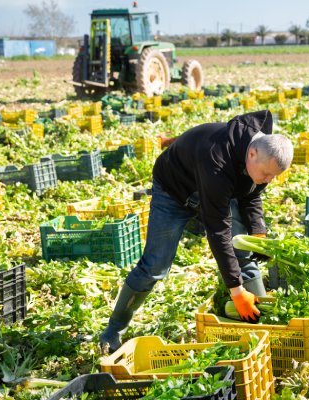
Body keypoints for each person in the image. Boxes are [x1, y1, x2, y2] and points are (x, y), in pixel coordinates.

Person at [99, 110, 293, 354]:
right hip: (174, 192)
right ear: (252, 153)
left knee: (244, 252)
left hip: (215, 190)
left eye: (273, 176)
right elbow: (218, 230)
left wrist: (258, 232)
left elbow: (251, 195)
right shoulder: (217, 160)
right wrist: (236, 290)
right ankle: (113, 329)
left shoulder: (259, 154)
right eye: (266, 174)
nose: (268, 181)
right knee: (155, 266)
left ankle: (263, 326)